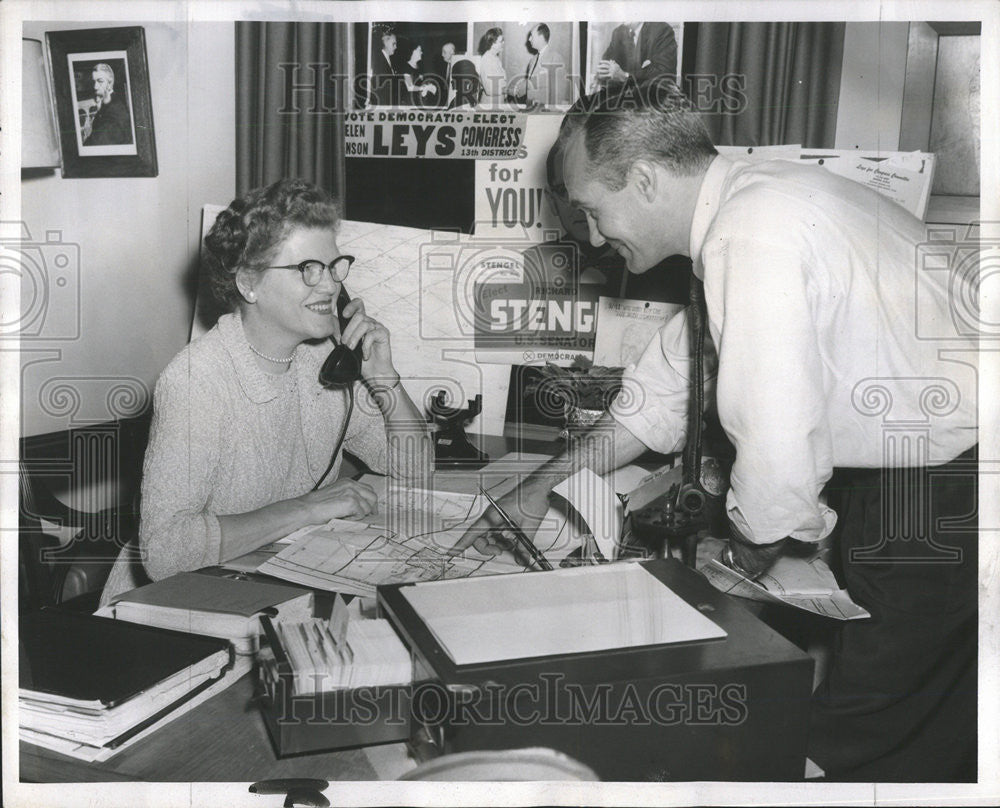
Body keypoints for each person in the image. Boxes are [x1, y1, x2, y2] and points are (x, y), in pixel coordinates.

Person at [455, 88, 978, 781]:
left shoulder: (750, 233)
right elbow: (658, 398)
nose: (589, 235)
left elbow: (776, 434)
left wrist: (732, 566)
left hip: (941, 489)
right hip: (929, 478)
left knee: (860, 738)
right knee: (922, 721)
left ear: (643, 180)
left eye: (589, 210)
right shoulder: (754, 206)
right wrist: (530, 496)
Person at [101, 179, 433, 605]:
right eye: (307, 269)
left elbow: (417, 471)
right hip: (174, 607)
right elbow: (165, 552)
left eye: (335, 267)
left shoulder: (324, 361)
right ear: (248, 283)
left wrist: (383, 378)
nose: (330, 286)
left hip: (270, 587)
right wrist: (308, 507)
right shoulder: (196, 380)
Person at [597, 22, 677, 89]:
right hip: (626, 99)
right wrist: (603, 72)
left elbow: (664, 75)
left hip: (653, 100)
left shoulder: (662, 30)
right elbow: (606, 67)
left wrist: (625, 76)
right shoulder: (618, 32)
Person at [83, 62, 132, 146]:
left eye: (100, 81)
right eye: (93, 81)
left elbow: (97, 144)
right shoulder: (107, 104)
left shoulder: (116, 109)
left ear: (109, 83)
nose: (95, 87)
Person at [522, 23, 569, 107]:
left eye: (532, 36)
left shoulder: (555, 58)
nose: (529, 39)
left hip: (544, 112)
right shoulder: (532, 61)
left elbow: (558, 93)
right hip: (530, 110)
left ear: (540, 37)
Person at [371, 28, 402, 106]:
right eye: (393, 44)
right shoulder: (378, 60)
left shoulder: (389, 59)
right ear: (385, 42)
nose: (396, 47)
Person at [477, 27, 507, 104]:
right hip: (489, 105)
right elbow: (489, 90)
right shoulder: (486, 59)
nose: (503, 43)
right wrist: (507, 90)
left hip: (498, 103)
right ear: (492, 44)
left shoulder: (496, 58)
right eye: (501, 41)